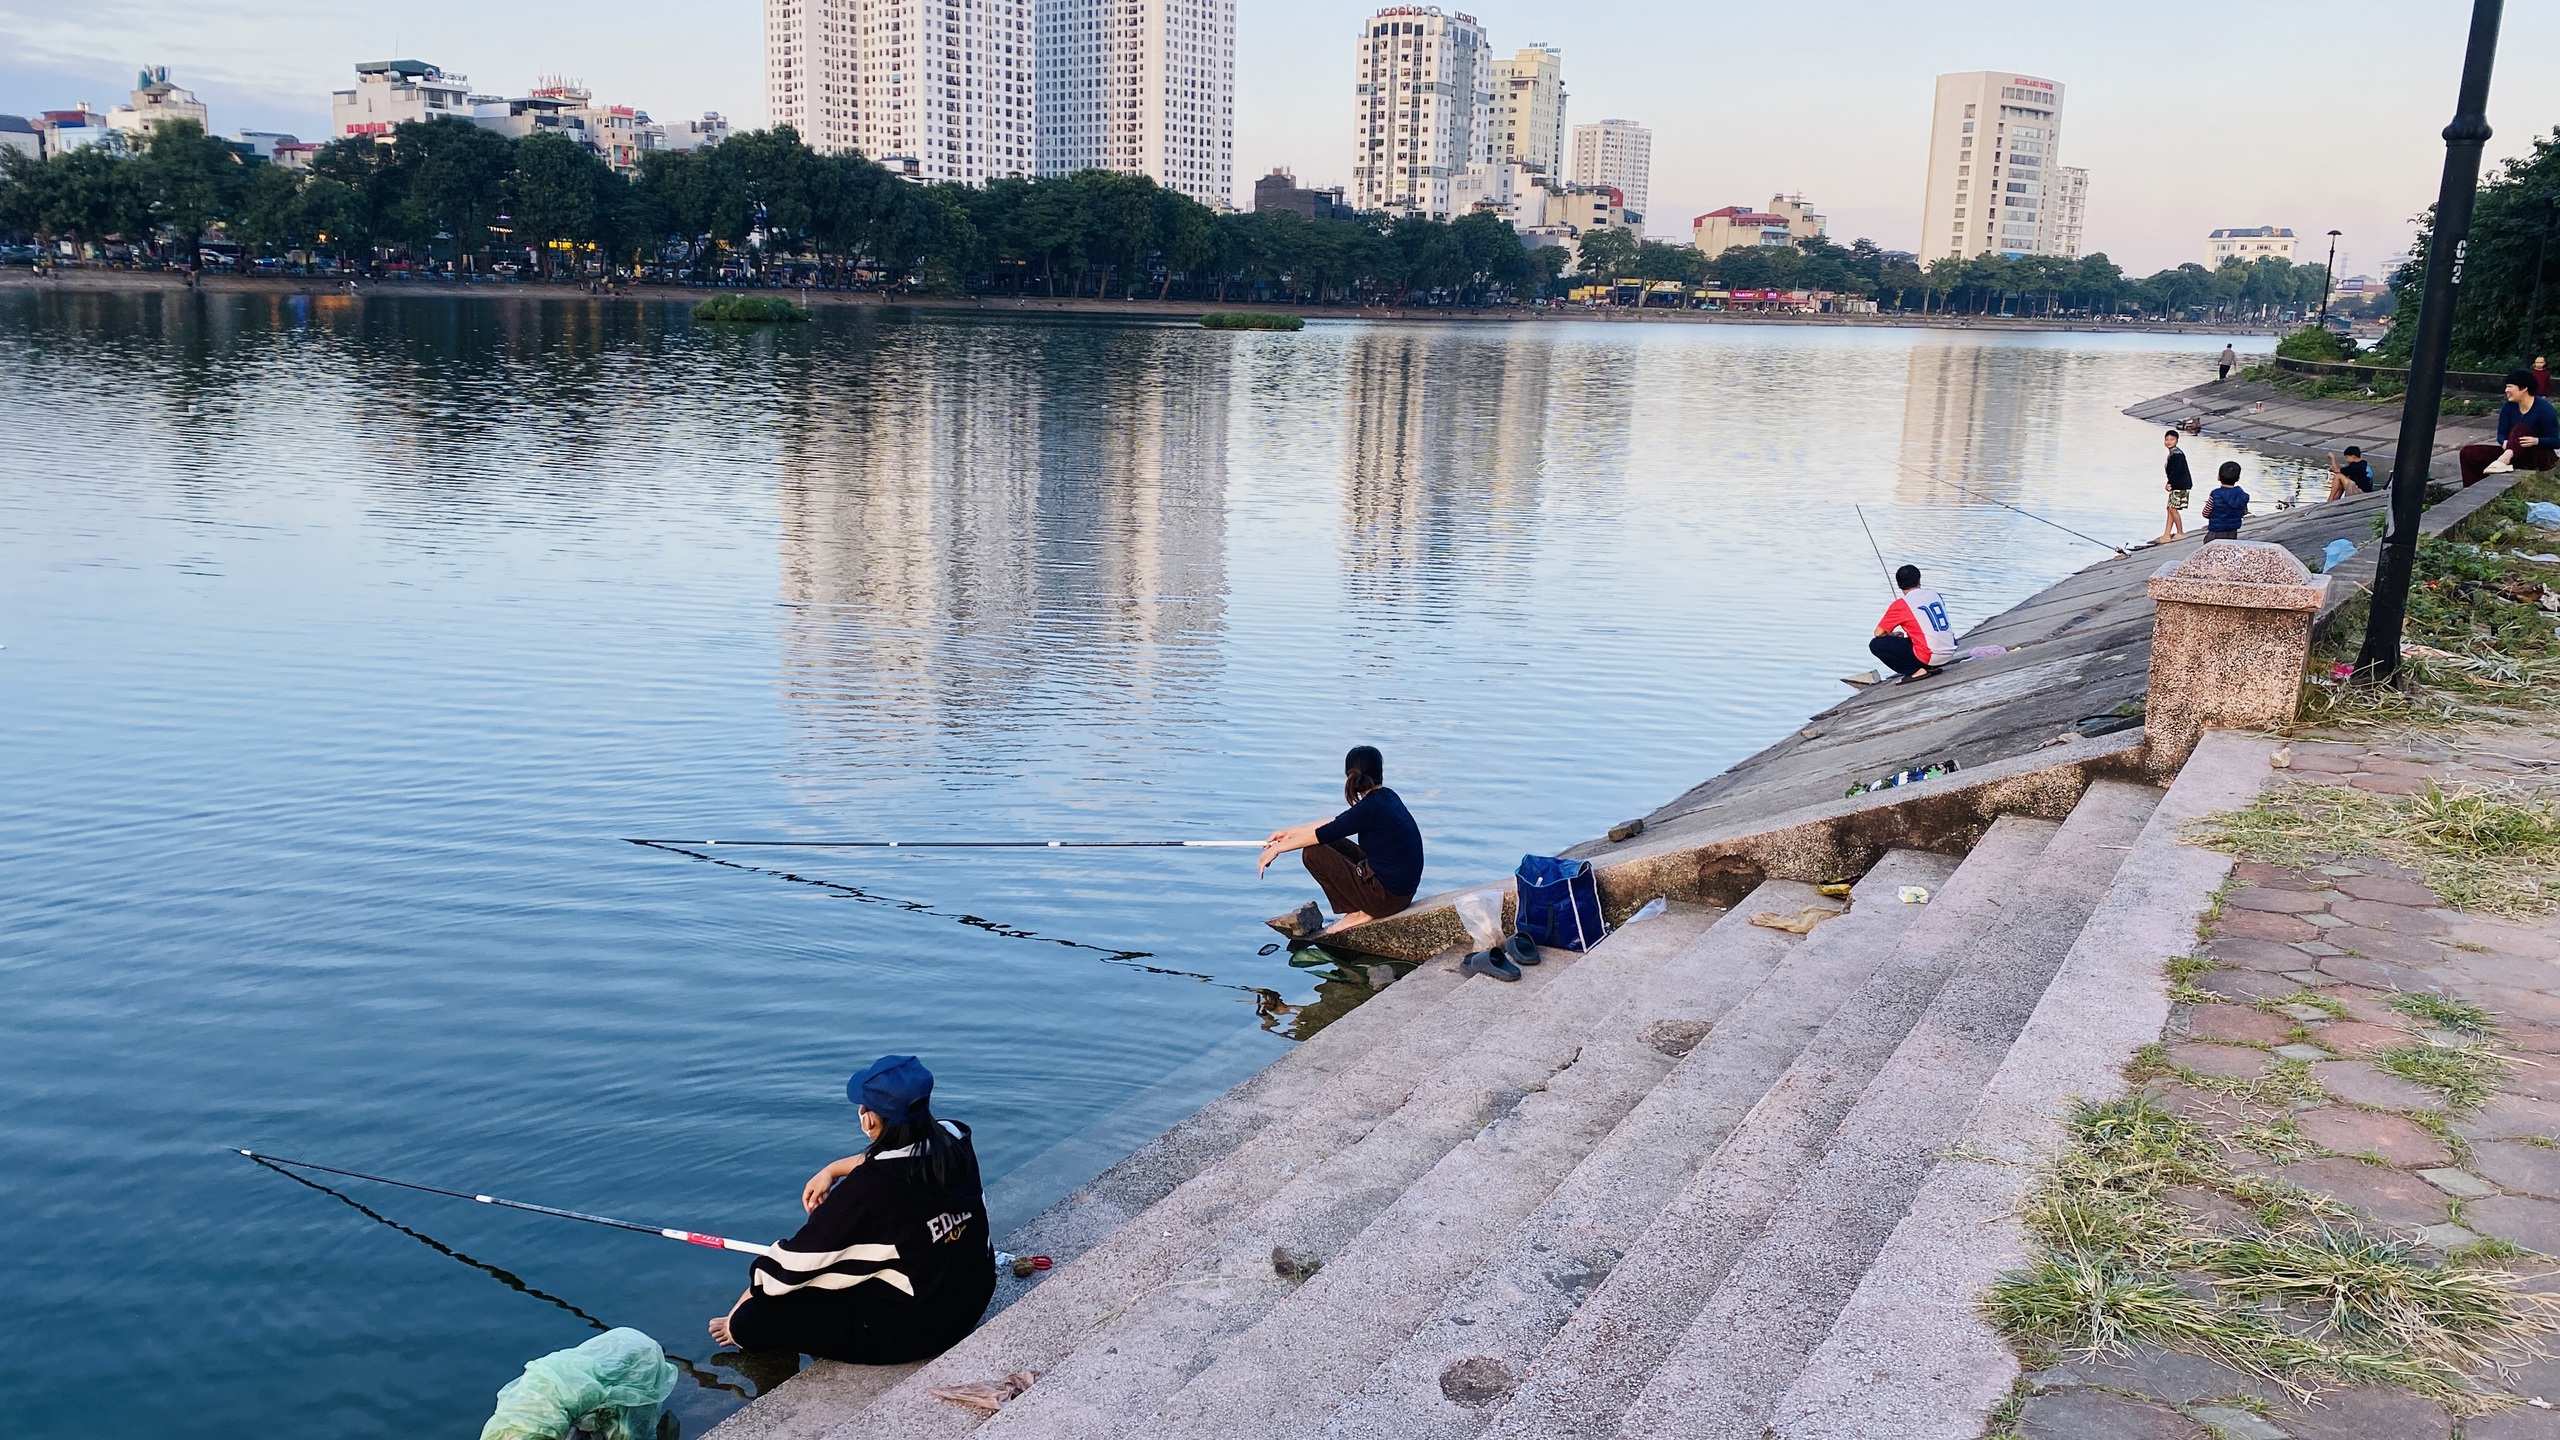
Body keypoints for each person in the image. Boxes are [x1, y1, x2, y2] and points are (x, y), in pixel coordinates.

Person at [709, 1055, 995, 1365]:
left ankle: (746, 1334)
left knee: (751, 1320)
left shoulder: (867, 1191)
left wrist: (739, 1309)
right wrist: (834, 1169)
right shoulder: (955, 1136)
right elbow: (903, 1162)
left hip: (916, 1333)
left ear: (870, 1119)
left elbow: (791, 1268)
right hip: (973, 1296)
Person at [1261, 745, 1424, 934]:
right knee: (1328, 841)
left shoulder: (1371, 807)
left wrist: (1276, 849)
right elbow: (1337, 823)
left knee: (1313, 852)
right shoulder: (1385, 797)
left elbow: (1326, 831)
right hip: (1399, 892)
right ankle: (1360, 907)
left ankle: (1356, 912)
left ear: (1350, 776)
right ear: (1380, 772)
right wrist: (1291, 833)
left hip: (1387, 899)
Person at [2458, 370, 2560, 485]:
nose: (2506, 390)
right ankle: (2472, 490)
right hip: (2512, 455)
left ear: (2523, 388)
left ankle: (2503, 460)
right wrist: (2504, 442)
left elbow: (2556, 441)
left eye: (2510, 387)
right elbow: (2501, 434)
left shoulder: (2544, 409)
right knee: (2467, 453)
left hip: (2537, 456)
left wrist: (2536, 441)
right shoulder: (2508, 407)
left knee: (2520, 429)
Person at [1869, 564, 1958, 683]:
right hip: (1949, 652)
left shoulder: (1901, 604)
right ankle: (1928, 667)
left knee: (1876, 644)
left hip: (1929, 656)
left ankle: (1915, 671)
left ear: (1899, 584)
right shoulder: (1934, 595)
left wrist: (1892, 635)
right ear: (1919, 580)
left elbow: (1878, 633)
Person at [2159, 429, 2194, 542]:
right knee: (2169, 508)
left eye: (2172, 439)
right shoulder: (2173, 453)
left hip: (2180, 484)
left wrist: (2170, 483)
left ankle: (2180, 532)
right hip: (2177, 484)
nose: (2169, 441)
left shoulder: (2177, 454)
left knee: (2172, 508)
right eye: (2167, 439)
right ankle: (2167, 534)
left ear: (2177, 441)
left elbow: (2177, 471)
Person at [2202, 461, 2249, 540]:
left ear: (2218, 477)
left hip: (2216, 530)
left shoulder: (2215, 494)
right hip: (2233, 531)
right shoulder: (2240, 494)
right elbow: (2244, 512)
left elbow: (2205, 513)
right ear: (2238, 478)